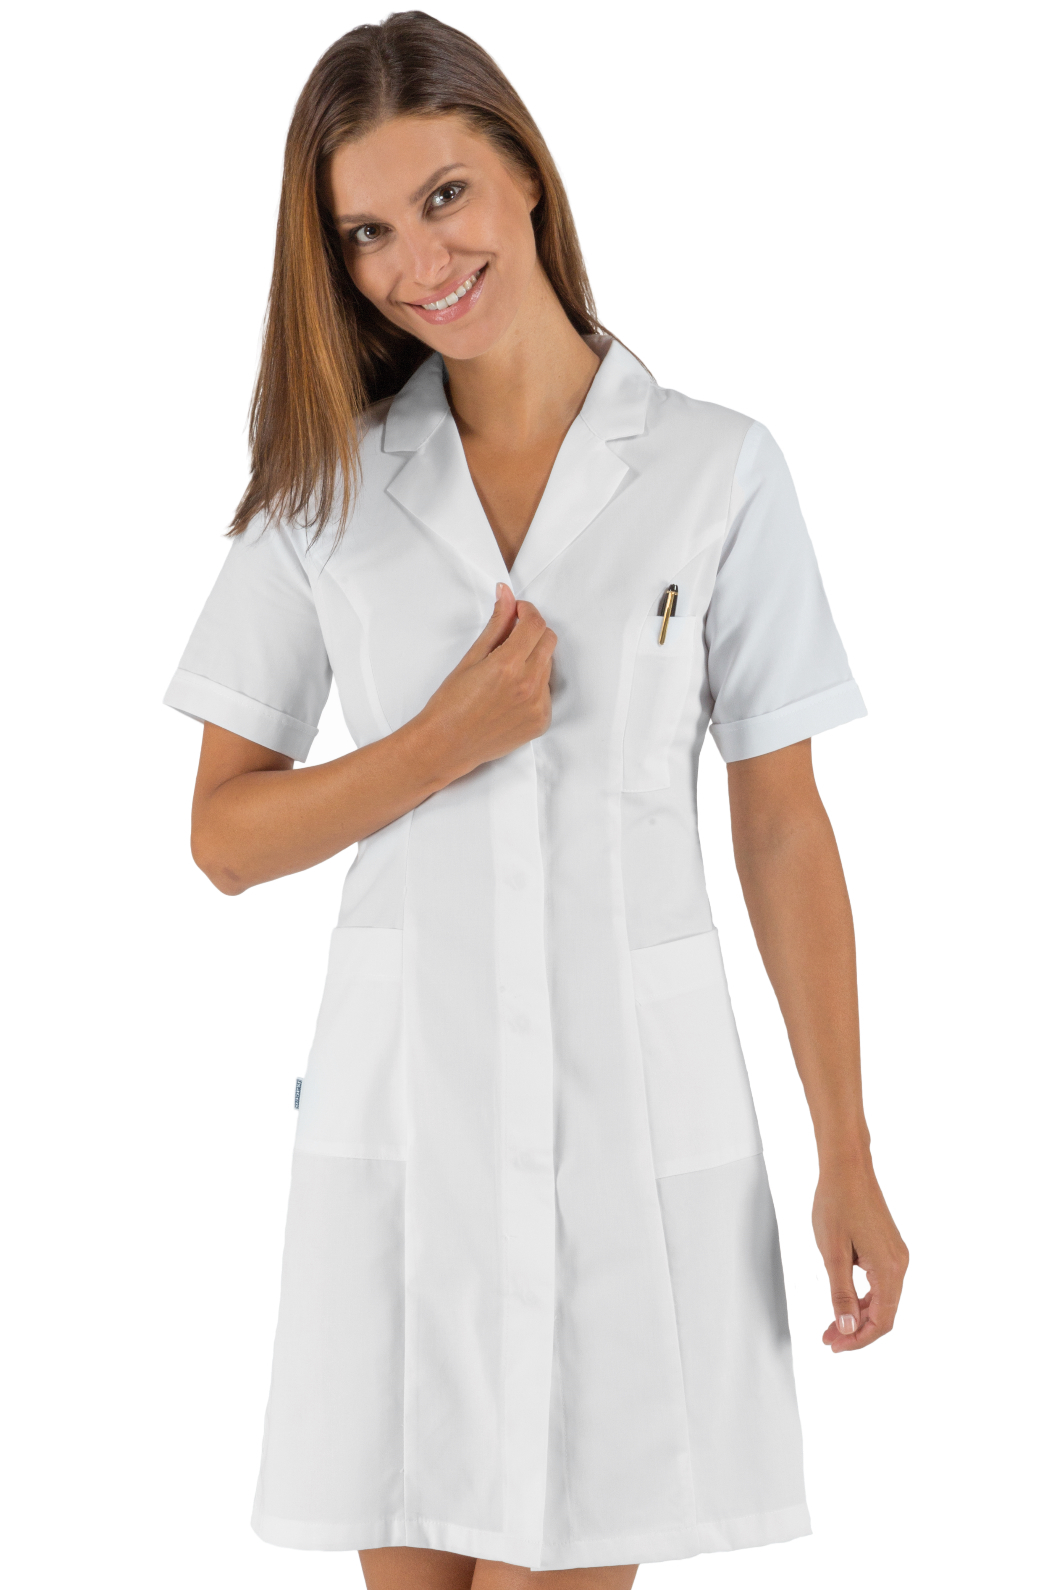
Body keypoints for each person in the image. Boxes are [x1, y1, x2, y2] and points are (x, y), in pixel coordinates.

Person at [164, 12, 908, 1590]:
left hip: (625, 1133)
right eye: (366, 232)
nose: (415, 262)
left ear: (526, 177)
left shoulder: (715, 470)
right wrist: (436, 742)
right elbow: (222, 833)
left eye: (443, 196)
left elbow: (783, 823)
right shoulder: (328, 488)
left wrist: (845, 1145)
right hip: (405, 1138)